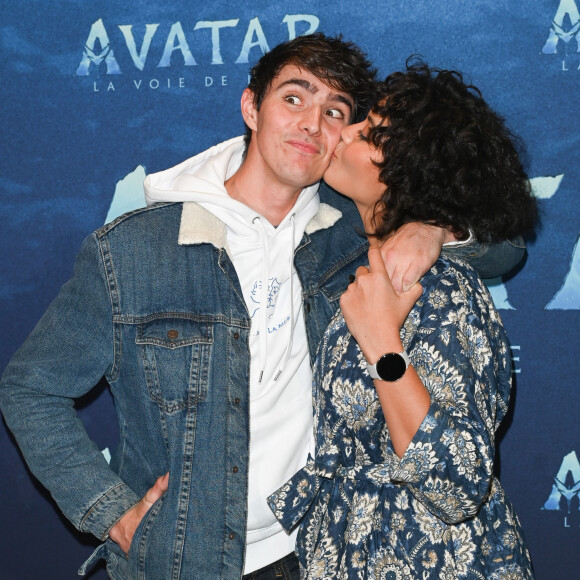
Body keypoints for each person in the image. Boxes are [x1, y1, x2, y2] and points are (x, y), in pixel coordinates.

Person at [0, 34, 523, 580]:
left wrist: (431, 227)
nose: (312, 125)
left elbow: (500, 236)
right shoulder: (133, 252)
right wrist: (112, 512)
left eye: (335, 111)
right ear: (251, 107)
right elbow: (30, 387)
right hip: (186, 563)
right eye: (294, 98)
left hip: (322, 557)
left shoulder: (351, 236)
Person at [268, 60, 537, 579]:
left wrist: (381, 344)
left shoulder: (442, 294)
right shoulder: (362, 254)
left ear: (407, 174)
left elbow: (456, 485)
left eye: (366, 133)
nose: (341, 133)